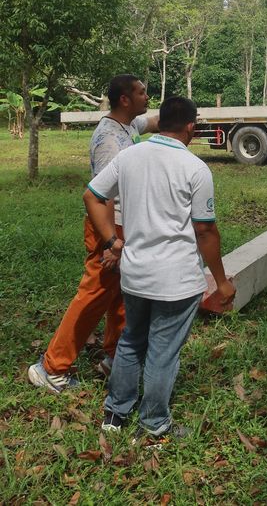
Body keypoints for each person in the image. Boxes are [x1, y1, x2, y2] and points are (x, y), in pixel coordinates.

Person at [83, 96, 235, 438]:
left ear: (159, 121)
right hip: (176, 281)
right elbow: (205, 230)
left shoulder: (129, 156)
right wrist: (222, 281)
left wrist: (112, 241)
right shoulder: (195, 168)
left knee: (131, 341)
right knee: (163, 353)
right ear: (191, 127)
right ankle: (153, 426)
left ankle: (115, 415)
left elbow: (92, 195)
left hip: (135, 275)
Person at [28, 75, 158, 393]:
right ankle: (51, 367)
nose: (147, 97)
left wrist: (182, 116)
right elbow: (100, 196)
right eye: (141, 92)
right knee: (94, 296)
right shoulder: (109, 140)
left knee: (122, 295)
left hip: (124, 227)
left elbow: (152, 122)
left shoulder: (128, 125)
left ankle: (115, 357)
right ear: (125, 99)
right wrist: (111, 242)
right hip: (109, 228)